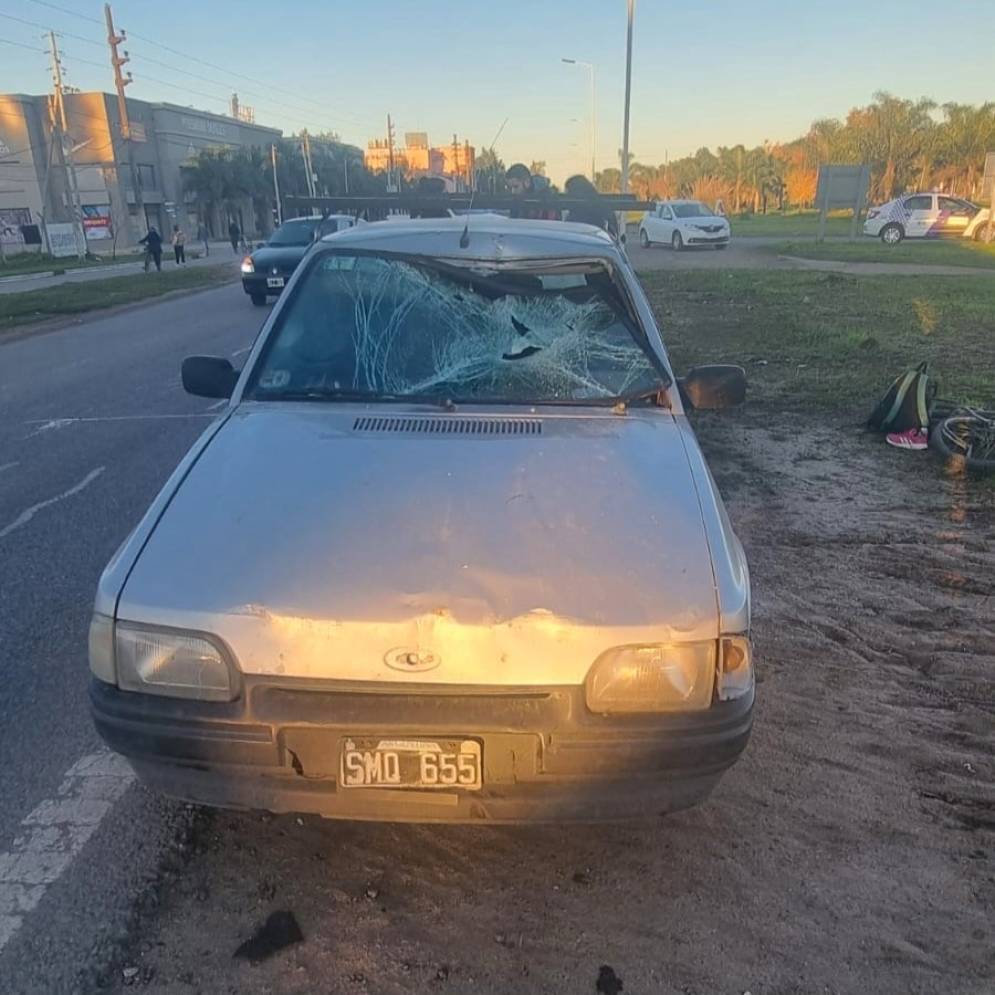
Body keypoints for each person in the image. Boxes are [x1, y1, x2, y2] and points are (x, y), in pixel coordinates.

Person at [564, 174, 619, 239]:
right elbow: (614, 236)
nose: (567, 196)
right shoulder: (604, 208)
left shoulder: (574, 215)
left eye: (568, 191)